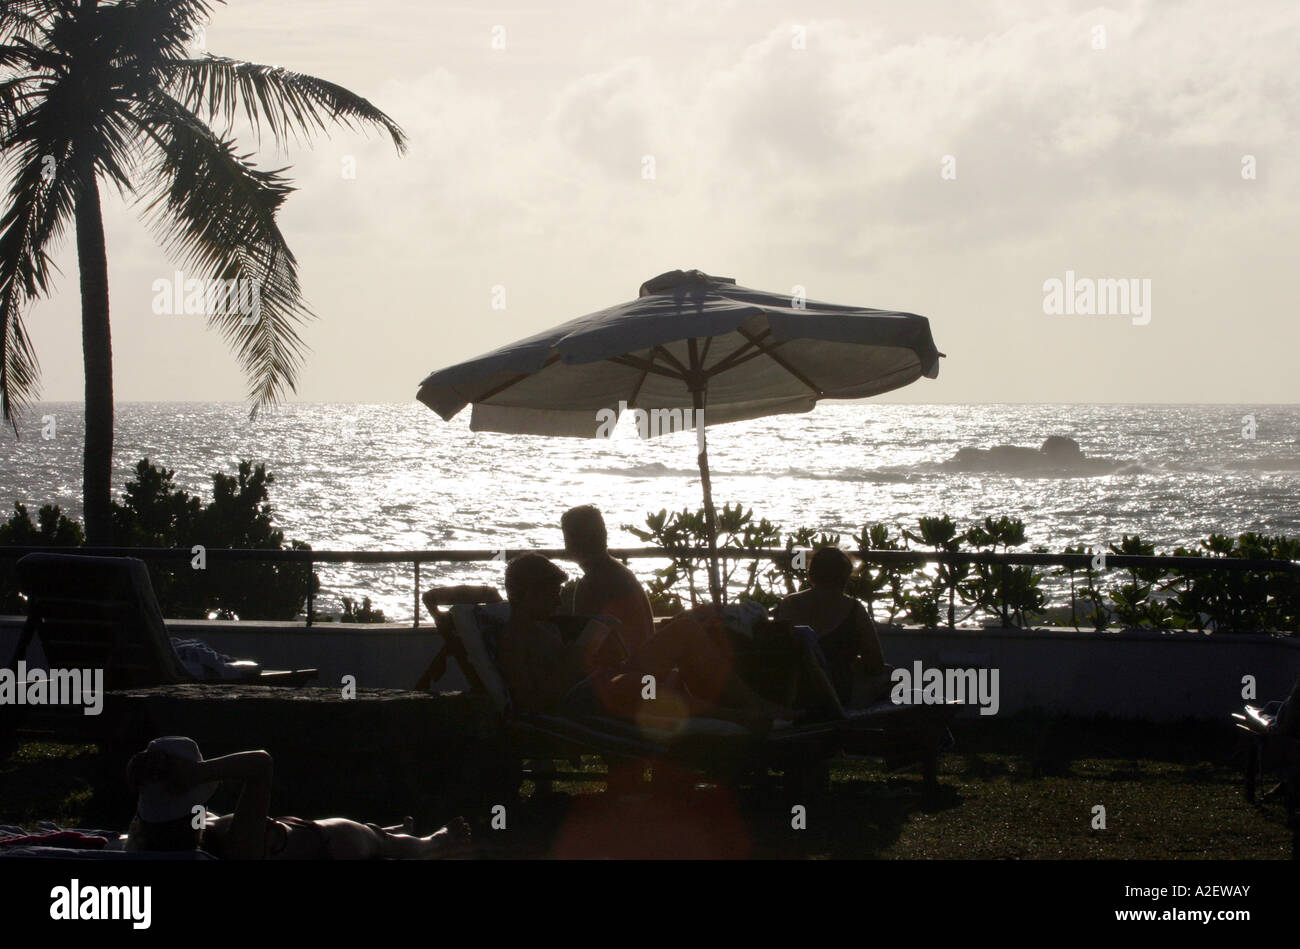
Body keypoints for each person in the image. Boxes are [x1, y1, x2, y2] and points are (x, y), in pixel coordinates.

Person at [495, 553, 783, 728]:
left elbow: (575, 669)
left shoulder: (549, 629)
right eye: (548, 594)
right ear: (520, 594)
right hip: (575, 705)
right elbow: (531, 703)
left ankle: (747, 709)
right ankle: (743, 714)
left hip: (597, 685)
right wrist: (578, 655)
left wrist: (594, 656)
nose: (557, 601)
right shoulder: (512, 638)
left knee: (685, 631)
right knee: (652, 675)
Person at [125, 736, 471, 859]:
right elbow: (261, 763)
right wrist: (198, 774)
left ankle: (395, 828)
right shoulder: (236, 844)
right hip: (333, 840)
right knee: (384, 843)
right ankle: (433, 840)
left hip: (290, 833)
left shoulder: (148, 837)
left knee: (380, 832)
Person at [774, 546, 887, 706]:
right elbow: (875, 664)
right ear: (845, 576)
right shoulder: (853, 609)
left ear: (812, 573)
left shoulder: (789, 604)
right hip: (835, 694)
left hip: (793, 692)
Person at [561, 505, 655, 653]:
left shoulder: (592, 583)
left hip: (624, 668)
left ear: (572, 541)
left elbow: (584, 644)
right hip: (640, 662)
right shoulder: (618, 573)